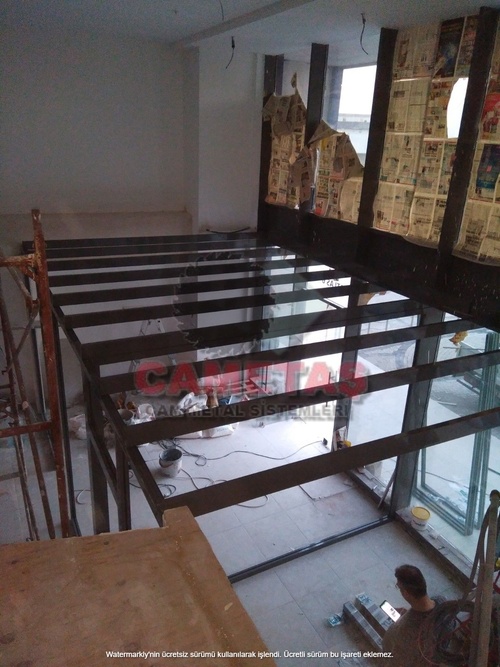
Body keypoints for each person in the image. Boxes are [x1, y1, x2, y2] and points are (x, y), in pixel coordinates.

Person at [382, 564, 445, 666]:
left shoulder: (404, 631)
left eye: (399, 587)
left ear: (406, 593)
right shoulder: (442, 601)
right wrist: (408, 613)